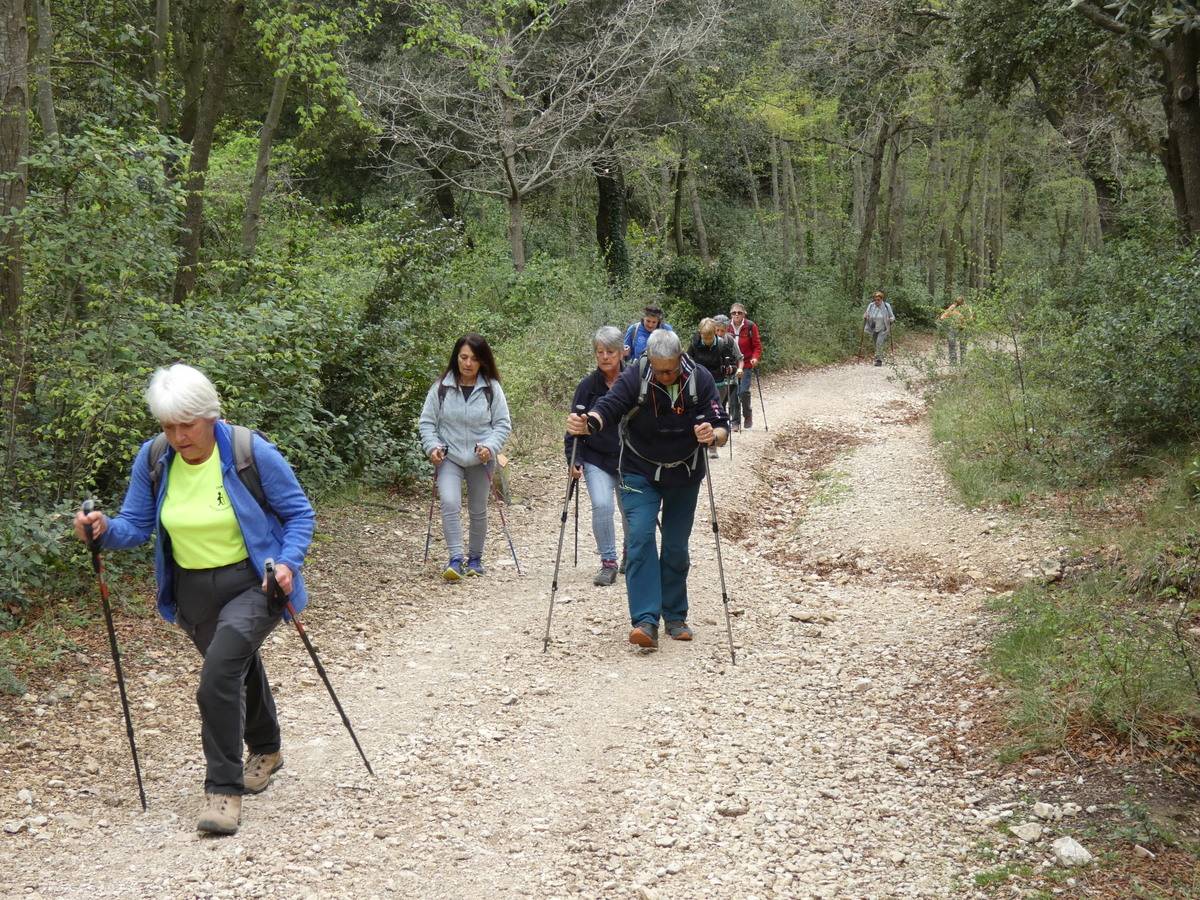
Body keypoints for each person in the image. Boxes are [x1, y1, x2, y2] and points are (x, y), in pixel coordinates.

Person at [72, 364, 315, 836]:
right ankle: (267, 748)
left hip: (254, 582)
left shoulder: (249, 450)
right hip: (191, 590)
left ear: (210, 416)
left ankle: (223, 792)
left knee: (218, 675)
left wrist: (287, 562)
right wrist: (102, 530)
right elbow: (136, 526)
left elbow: (299, 512)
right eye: (168, 426)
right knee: (235, 665)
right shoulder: (155, 457)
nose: (179, 436)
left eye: (187, 424)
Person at [566, 329, 729, 649]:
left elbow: (722, 424)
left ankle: (676, 615)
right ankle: (645, 620)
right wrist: (588, 423)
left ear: (681, 359)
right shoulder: (636, 376)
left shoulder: (701, 379)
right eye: (658, 369)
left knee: (675, 546)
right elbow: (609, 407)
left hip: (684, 473)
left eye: (669, 369)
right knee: (639, 537)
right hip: (639, 471)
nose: (664, 375)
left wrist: (713, 435)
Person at [419, 333, 513, 581]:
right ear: (456, 358)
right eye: (463, 357)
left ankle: (475, 559)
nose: (468, 363)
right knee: (449, 503)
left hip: (481, 458)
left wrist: (490, 447)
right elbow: (427, 423)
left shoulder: (492, 389)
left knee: (478, 509)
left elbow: (502, 424)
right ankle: (455, 559)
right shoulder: (441, 388)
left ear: (483, 361)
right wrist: (433, 447)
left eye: (473, 358)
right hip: (449, 456)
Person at [565, 326, 625, 586]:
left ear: (622, 352)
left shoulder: (635, 381)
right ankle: (608, 562)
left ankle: (632, 555)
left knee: (632, 511)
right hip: (596, 457)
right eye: (599, 352)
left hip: (630, 458)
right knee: (602, 505)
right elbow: (573, 426)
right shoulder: (587, 387)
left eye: (610, 351)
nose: (604, 357)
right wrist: (573, 459)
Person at [688, 318, 741, 458]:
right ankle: (697, 446)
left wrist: (730, 368)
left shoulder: (722, 345)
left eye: (710, 337)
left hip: (718, 383)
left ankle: (712, 446)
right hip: (699, 383)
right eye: (705, 337)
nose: (707, 340)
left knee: (713, 414)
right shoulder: (694, 344)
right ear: (700, 334)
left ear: (715, 334)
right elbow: (687, 362)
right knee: (699, 414)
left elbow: (733, 363)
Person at [728, 303, 762, 431]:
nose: (736, 315)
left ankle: (747, 414)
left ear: (744, 314)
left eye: (739, 312)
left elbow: (757, 345)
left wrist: (755, 358)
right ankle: (735, 422)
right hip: (731, 365)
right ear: (730, 314)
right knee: (733, 394)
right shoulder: (726, 326)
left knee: (743, 391)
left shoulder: (750, 326)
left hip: (747, 364)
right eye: (734, 313)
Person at [863, 290, 895, 366]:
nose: (876, 301)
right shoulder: (871, 305)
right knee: (875, 343)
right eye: (875, 299)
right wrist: (865, 316)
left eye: (878, 300)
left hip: (883, 328)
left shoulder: (887, 306)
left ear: (882, 299)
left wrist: (891, 319)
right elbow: (866, 313)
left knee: (878, 343)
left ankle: (879, 360)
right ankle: (879, 356)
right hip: (873, 327)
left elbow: (892, 316)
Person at [939, 295, 970, 365]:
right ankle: (953, 362)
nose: (957, 304)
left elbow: (970, 318)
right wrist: (941, 318)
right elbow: (945, 314)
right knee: (951, 343)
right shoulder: (952, 307)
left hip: (963, 328)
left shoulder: (966, 308)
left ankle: (963, 362)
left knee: (963, 345)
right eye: (956, 303)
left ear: (962, 302)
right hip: (953, 327)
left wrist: (965, 322)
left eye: (959, 303)